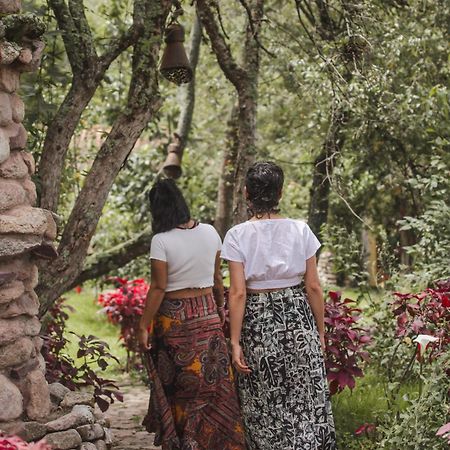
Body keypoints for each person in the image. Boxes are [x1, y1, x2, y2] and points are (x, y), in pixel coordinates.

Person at [221, 161, 337, 450]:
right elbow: (313, 286)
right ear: (280, 193)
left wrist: (234, 342)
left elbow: (237, 293)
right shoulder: (301, 230)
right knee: (305, 398)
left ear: (246, 193)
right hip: (297, 316)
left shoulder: (237, 235)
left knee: (264, 400)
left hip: (258, 322)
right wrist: (320, 332)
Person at [138, 179, 246, 450]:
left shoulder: (161, 241)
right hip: (208, 314)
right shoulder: (210, 232)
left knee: (180, 389)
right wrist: (220, 310)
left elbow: (159, 287)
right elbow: (217, 280)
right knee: (214, 388)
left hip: (174, 322)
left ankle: (184, 443)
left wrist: (143, 326)